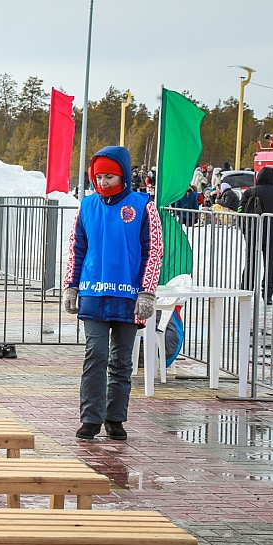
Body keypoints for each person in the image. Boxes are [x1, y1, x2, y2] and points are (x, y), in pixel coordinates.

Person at [63, 145, 163, 442]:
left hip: (129, 296)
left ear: (123, 175)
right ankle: (90, 419)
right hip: (94, 292)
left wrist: (147, 292)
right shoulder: (87, 206)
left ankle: (115, 418)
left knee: (122, 360)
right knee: (96, 354)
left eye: (110, 176)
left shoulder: (143, 205)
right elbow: (76, 249)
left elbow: (153, 251)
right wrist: (71, 285)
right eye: (99, 176)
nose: (103, 182)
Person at [240, 167, 273, 303]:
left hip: (253, 233)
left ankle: (246, 292)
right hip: (272, 235)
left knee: (250, 263)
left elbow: (240, 210)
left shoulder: (250, 192)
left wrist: (245, 230)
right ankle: (268, 295)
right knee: (270, 265)